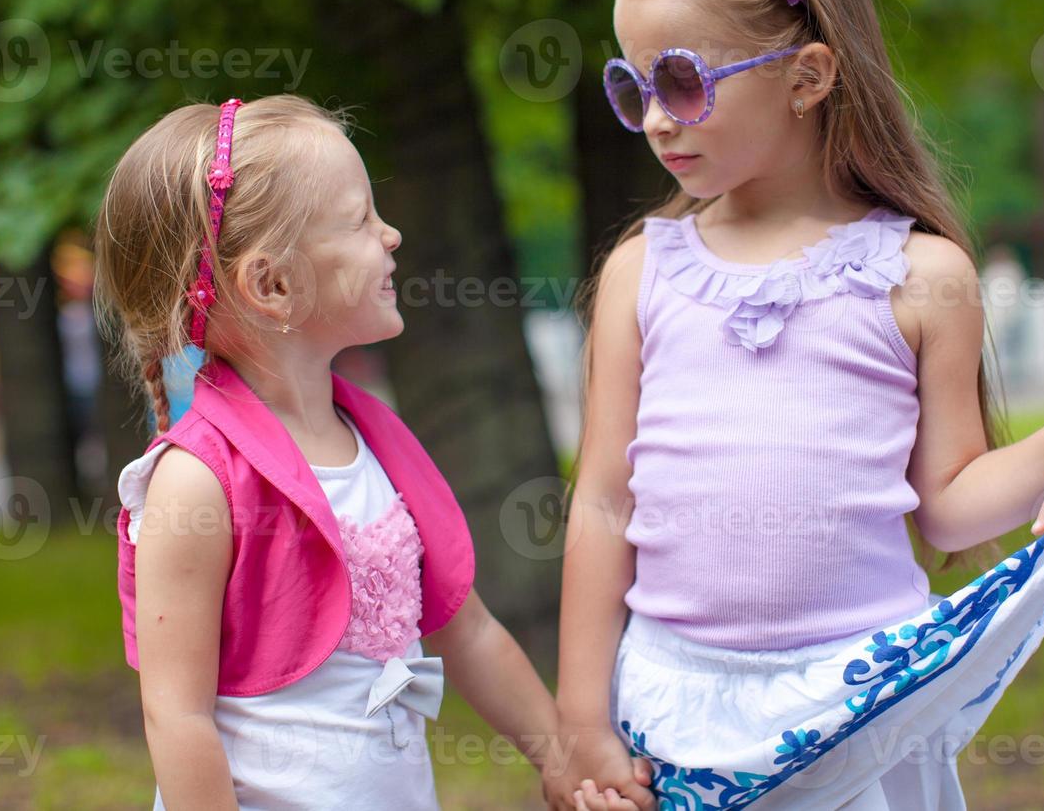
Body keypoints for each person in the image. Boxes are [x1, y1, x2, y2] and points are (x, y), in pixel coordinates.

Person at [556, 0, 1044, 811]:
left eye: (682, 82)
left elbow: (949, 507)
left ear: (807, 77)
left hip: (862, 707)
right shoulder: (640, 274)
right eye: (633, 84)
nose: (653, 116)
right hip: (674, 710)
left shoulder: (922, 276)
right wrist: (580, 719)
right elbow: (605, 500)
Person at [92, 95, 653, 810]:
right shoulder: (197, 483)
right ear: (272, 285)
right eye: (359, 221)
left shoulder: (375, 442)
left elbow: (467, 628)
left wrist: (561, 759)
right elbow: (177, 715)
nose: (390, 236)